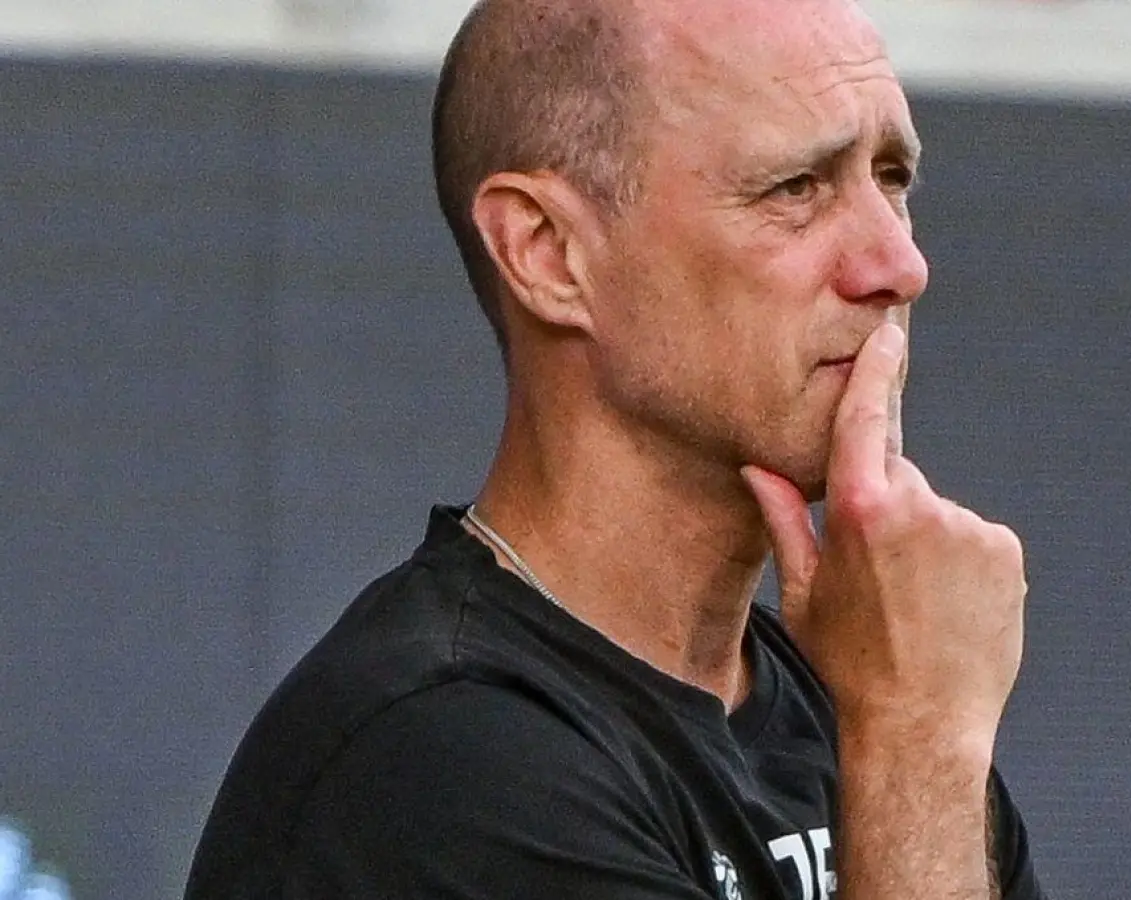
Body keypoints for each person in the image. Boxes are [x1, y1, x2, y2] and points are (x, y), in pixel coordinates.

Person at [185, 0, 1042, 897]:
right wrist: (917, 740)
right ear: (548, 253)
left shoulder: (859, 703)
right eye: (796, 188)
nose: (899, 264)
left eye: (893, 177)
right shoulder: (441, 758)